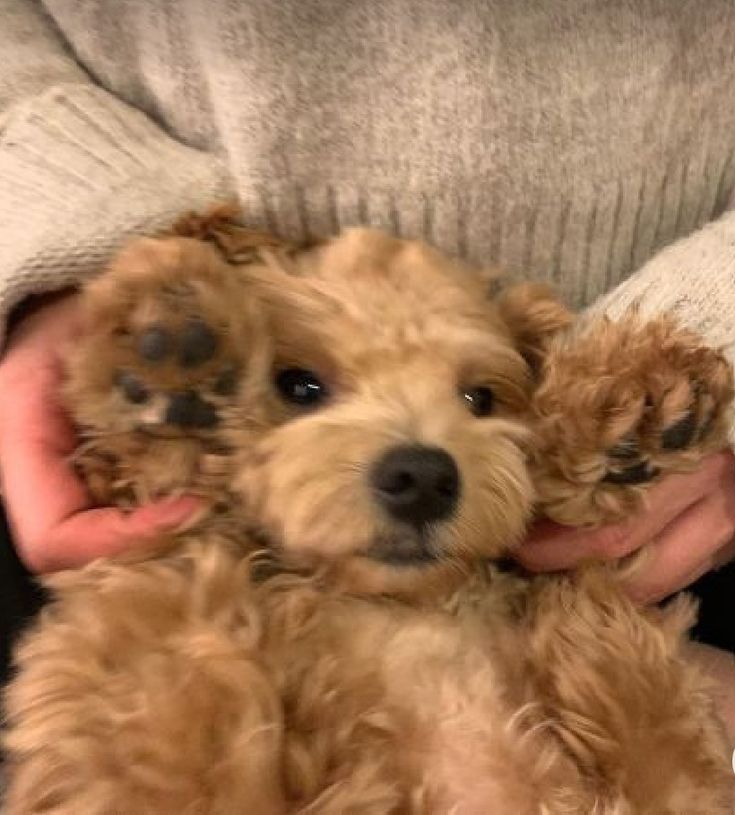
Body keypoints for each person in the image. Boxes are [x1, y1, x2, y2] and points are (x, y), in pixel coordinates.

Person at [1, 0, 734, 724]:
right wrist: (64, 203)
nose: (418, 457)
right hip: (110, 384)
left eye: (477, 400)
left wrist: (715, 326)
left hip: (627, 545)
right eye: (305, 386)